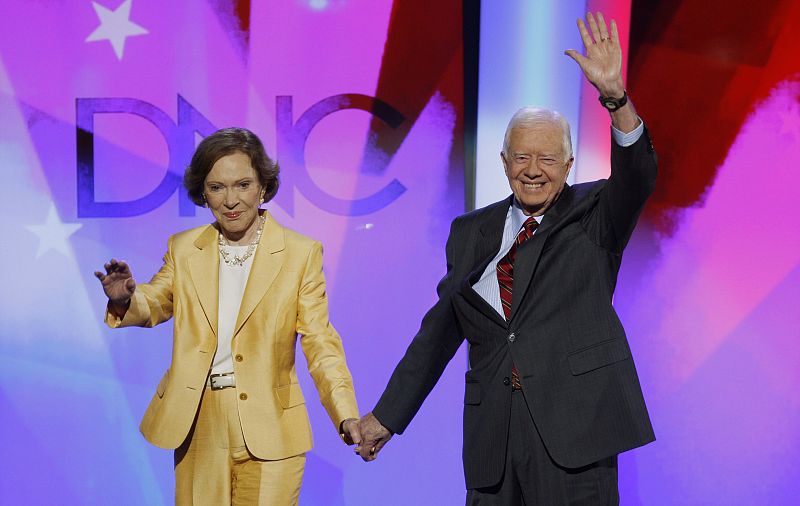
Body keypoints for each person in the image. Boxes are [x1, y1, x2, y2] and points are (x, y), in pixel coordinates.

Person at [355, 12, 656, 504]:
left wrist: (615, 98)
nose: (533, 171)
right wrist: (387, 417)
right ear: (503, 161)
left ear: (569, 164)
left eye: (547, 159)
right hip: (494, 436)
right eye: (521, 157)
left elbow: (638, 175)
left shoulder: (595, 214)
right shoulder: (471, 231)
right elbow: (439, 332)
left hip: (574, 435)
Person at [94, 127, 361, 505]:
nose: (231, 200)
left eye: (243, 185)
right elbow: (155, 301)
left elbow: (320, 341)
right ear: (203, 193)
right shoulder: (185, 249)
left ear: (263, 187)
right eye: (217, 187)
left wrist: (346, 414)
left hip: (273, 425)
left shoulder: (300, 253)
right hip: (198, 421)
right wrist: (125, 300)